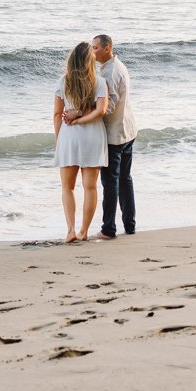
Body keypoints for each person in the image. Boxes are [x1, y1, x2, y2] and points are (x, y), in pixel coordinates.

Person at [66, 33, 136, 238]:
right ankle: (130, 225)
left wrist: (79, 113)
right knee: (125, 179)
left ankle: (108, 229)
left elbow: (107, 107)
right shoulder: (117, 65)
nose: (93, 51)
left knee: (111, 182)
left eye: (96, 48)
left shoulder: (108, 74)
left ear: (107, 48)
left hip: (115, 134)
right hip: (128, 130)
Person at [52, 40, 109, 243]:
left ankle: (70, 230)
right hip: (93, 136)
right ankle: (84, 231)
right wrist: (83, 117)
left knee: (67, 187)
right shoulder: (100, 82)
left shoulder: (63, 81)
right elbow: (100, 110)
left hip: (70, 137)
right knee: (90, 187)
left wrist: (60, 140)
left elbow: (58, 114)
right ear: (89, 60)